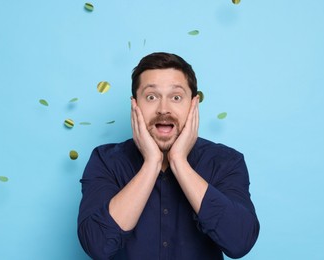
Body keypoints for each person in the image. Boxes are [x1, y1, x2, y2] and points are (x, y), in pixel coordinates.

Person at [77, 52, 259, 260]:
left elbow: (240, 242)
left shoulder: (226, 162)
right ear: (135, 105)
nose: (163, 109)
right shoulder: (106, 161)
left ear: (193, 104)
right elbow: (97, 246)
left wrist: (179, 161)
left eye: (176, 97)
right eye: (151, 97)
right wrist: (151, 163)